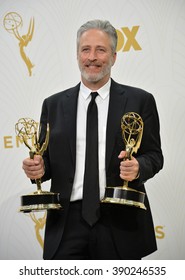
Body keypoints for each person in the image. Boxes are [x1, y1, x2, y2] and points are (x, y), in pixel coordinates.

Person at [22, 19, 163, 260]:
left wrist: (139, 167)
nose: (92, 57)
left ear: (114, 56)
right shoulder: (53, 105)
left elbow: (154, 156)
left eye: (101, 49)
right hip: (66, 223)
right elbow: (45, 161)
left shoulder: (140, 100)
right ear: (77, 55)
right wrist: (38, 168)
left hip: (120, 221)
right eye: (85, 49)